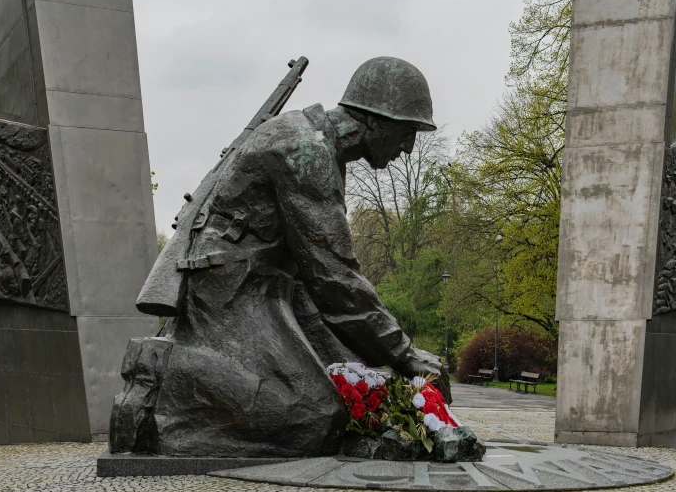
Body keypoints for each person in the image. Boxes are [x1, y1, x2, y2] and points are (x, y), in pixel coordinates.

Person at [110, 57, 449, 458]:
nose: (408, 148)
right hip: (230, 290)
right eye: (408, 132)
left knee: (358, 386)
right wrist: (406, 355)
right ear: (376, 121)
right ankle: (161, 375)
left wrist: (389, 360)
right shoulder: (304, 149)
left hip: (279, 287)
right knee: (314, 416)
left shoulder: (324, 151)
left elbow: (320, 277)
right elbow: (335, 278)